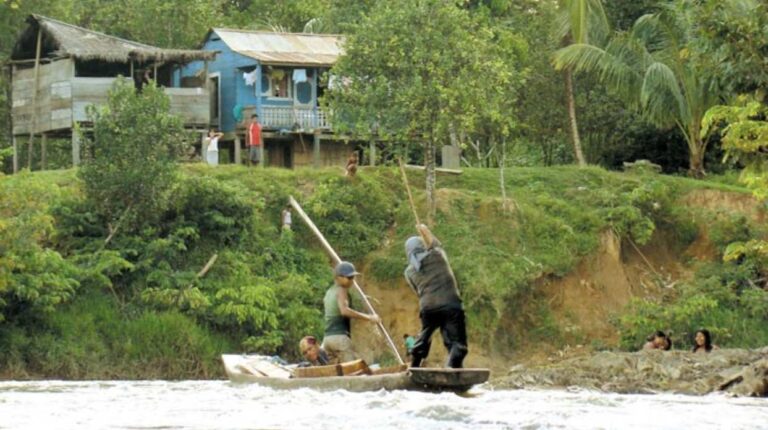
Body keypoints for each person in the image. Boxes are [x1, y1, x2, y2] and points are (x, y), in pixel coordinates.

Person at [404, 224, 468, 368]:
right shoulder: (437, 255)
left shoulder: (409, 272)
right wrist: (425, 231)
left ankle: (413, 367)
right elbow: (436, 244)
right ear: (422, 246)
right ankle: (450, 370)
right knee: (457, 345)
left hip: (428, 308)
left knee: (423, 340)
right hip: (451, 305)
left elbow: (418, 292)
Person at [321, 261, 380, 363]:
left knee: (336, 369)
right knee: (351, 368)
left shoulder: (329, 292)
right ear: (339, 278)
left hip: (327, 339)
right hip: (339, 338)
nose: (352, 280)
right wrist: (369, 317)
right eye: (349, 278)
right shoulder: (341, 290)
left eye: (353, 277)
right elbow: (344, 311)